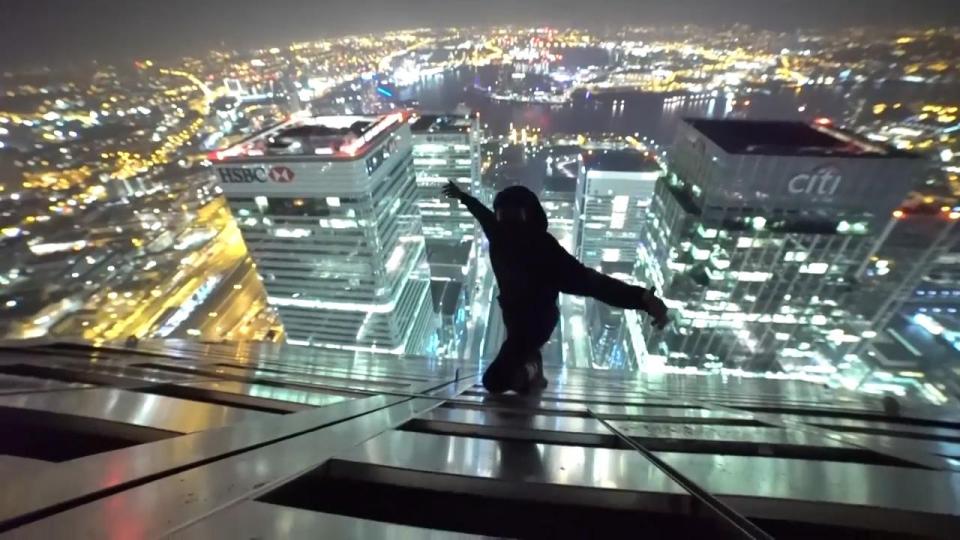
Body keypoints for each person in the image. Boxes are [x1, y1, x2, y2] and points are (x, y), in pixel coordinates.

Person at [443, 181, 669, 394]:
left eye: (507, 213)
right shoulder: (520, 238)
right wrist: (641, 299)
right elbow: (590, 283)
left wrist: (641, 299)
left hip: (531, 322)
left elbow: (589, 282)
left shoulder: (520, 240)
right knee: (516, 353)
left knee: (495, 379)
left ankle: (531, 376)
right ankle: (532, 370)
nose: (504, 219)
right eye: (503, 214)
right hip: (527, 319)